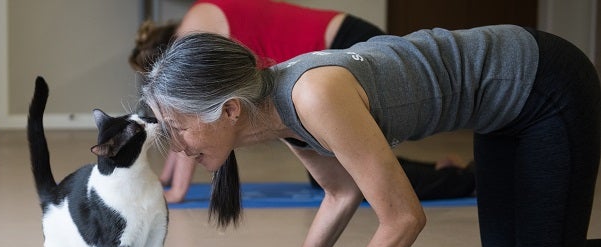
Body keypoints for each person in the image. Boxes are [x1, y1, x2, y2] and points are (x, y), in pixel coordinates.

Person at [141, 25, 601, 247]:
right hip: (501, 110)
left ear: (229, 111)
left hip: (544, 86)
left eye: (179, 127)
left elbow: (403, 218)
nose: (177, 146)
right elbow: (341, 193)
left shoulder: (313, 96)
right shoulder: (271, 109)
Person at [129, 0, 476, 203]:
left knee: (343, 169)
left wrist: (177, 191)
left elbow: (196, 113)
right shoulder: (198, 18)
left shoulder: (194, 34)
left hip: (343, 46)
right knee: (349, 158)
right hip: (329, 50)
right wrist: (165, 180)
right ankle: (448, 171)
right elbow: (183, 122)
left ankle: (468, 181)